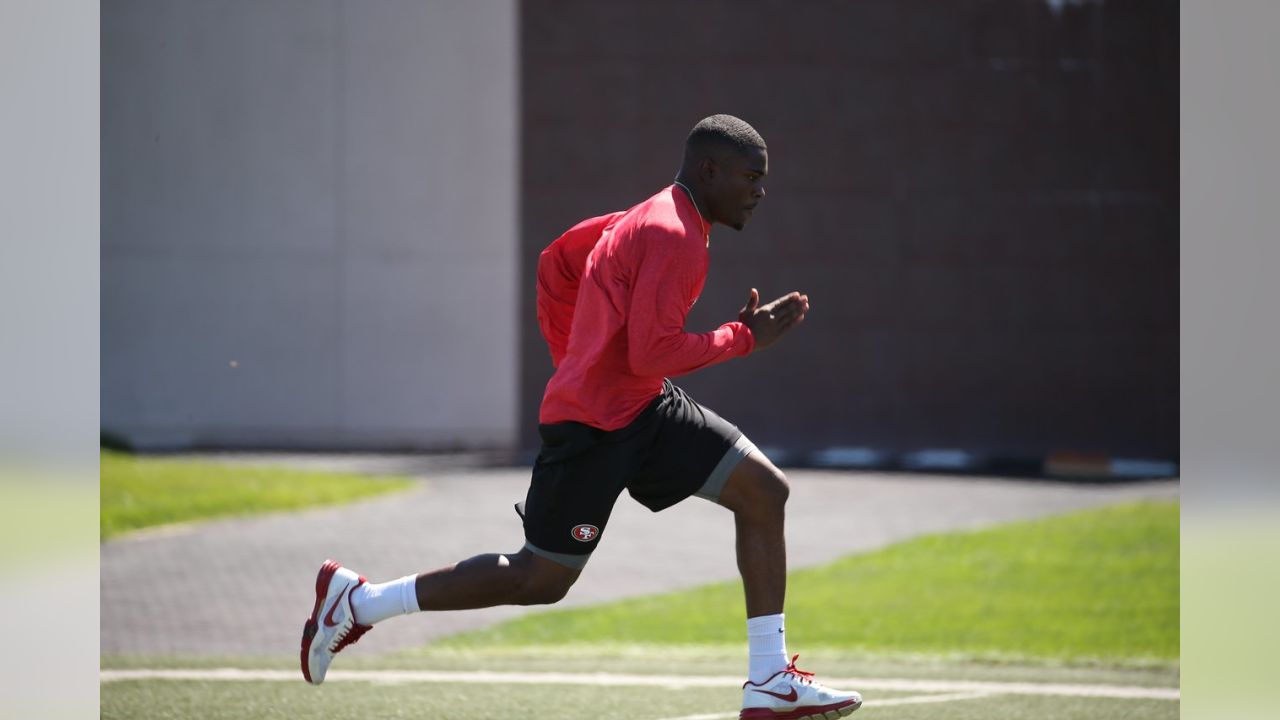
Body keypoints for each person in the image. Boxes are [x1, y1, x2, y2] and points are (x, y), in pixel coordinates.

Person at [300, 114, 863, 719]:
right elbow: (651, 351)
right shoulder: (674, 236)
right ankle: (360, 603)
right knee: (538, 580)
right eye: (751, 177)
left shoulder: (653, 215)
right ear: (710, 171)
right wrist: (740, 338)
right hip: (595, 429)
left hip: (644, 406)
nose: (760, 191)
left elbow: (557, 262)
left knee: (762, 491)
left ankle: (769, 678)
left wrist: (578, 357)